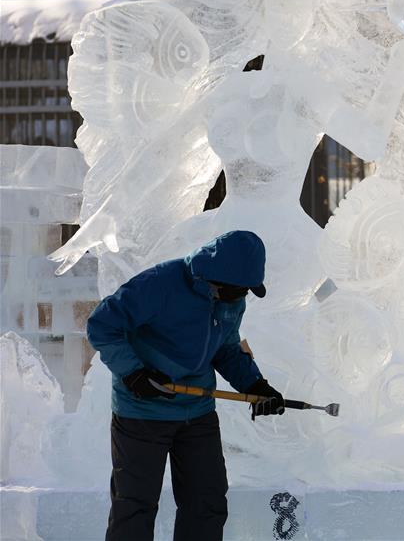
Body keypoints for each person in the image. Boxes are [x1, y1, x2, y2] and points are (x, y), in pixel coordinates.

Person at [87, 230, 286, 541]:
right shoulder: (159, 284)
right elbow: (101, 325)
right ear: (213, 280)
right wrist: (134, 374)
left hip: (197, 412)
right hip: (142, 412)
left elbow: (226, 347)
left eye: (245, 292)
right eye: (236, 291)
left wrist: (256, 385)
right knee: (135, 507)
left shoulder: (233, 295)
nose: (241, 297)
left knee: (207, 503)